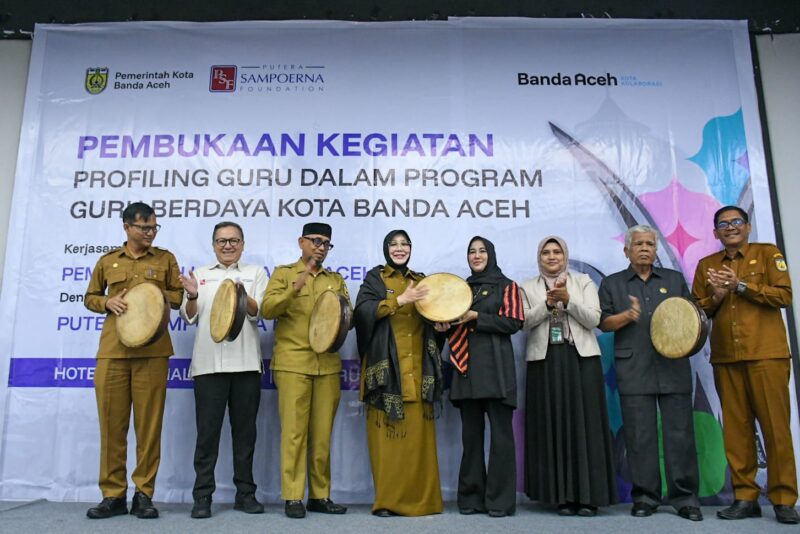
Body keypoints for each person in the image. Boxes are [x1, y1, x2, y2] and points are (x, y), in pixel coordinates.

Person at [692, 205, 799, 524]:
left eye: (736, 221)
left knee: (776, 429)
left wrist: (740, 285)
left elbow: (784, 296)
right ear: (715, 233)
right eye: (723, 224)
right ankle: (745, 497)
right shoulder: (706, 265)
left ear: (748, 227)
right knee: (737, 432)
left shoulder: (768, 254)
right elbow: (697, 312)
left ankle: (784, 499)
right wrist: (717, 296)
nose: (730, 227)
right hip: (726, 358)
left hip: (766, 356)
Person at [83, 202, 183, 519]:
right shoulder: (108, 260)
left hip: (153, 353)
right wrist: (106, 302)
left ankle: (143, 494)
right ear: (127, 227)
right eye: (144, 228)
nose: (150, 233)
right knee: (112, 427)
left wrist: (155, 296)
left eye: (154, 227)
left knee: (149, 427)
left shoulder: (165, 259)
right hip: (113, 352)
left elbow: (178, 297)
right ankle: (112, 495)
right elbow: (89, 297)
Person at [598, 224, 702, 521]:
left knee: (680, 434)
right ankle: (645, 497)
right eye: (639, 244)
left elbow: (692, 318)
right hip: (633, 367)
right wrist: (626, 316)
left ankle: (685, 498)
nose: (645, 248)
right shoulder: (613, 284)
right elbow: (602, 322)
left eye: (650, 244)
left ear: (656, 250)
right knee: (639, 436)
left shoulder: (674, 280)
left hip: (673, 366)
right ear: (626, 250)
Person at [521, 236, 618, 516]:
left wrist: (568, 300)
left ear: (565, 256)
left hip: (581, 359)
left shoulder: (583, 282)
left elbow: (594, 319)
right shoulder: (527, 287)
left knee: (585, 426)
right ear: (539, 257)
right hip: (545, 361)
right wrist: (548, 304)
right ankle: (561, 496)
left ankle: (588, 497)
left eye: (557, 252)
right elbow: (523, 322)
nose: (552, 257)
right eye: (546, 252)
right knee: (552, 424)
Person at [261, 222, 350, 519]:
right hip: (293, 363)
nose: (321, 247)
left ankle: (320, 496)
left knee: (322, 435)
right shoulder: (284, 274)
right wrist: (293, 290)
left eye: (326, 243)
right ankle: (293, 496)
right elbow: (268, 309)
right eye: (315, 241)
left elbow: (347, 316)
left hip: (328, 366)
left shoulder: (335, 280)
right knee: (294, 434)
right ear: (301, 242)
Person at [179, 222, 267, 519]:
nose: (228, 246)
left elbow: (259, 312)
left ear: (242, 244)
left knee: (245, 435)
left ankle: (246, 494)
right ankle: (202, 496)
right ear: (213, 244)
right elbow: (189, 317)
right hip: (208, 367)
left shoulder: (255, 273)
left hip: (246, 365)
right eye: (221, 241)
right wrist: (192, 295)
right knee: (207, 435)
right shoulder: (200, 275)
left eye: (233, 240)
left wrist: (240, 294)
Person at [354, 230, 445, 517]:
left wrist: (441, 328)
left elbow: (435, 318)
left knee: (419, 447)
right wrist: (399, 300)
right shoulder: (375, 278)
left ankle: (425, 503)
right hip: (386, 379)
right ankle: (387, 503)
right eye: (393, 244)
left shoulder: (422, 281)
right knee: (388, 448)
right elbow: (362, 313)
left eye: (405, 244)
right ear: (386, 249)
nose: (399, 248)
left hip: (418, 375)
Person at [440, 236, 523, 517]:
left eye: (482, 251)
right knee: (471, 439)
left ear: (491, 254)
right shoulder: (460, 289)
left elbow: (514, 322)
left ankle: (500, 502)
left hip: (497, 370)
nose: (476, 256)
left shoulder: (507, 285)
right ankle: (471, 499)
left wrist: (478, 316)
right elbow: (453, 326)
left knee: (501, 439)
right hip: (466, 371)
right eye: (472, 252)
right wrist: (443, 327)